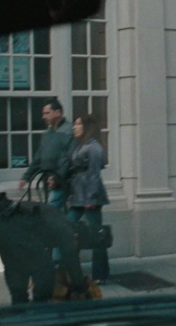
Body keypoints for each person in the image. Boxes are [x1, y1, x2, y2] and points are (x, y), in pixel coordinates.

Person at [67, 114, 111, 282]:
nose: (74, 127)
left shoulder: (94, 148)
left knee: (96, 235)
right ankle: (71, 272)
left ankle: (100, 274)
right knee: (69, 230)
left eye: (78, 124)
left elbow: (94, 174)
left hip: (89, 196)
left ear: (86, 127)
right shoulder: (81, 145)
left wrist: (91, 198)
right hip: (78, 195)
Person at [18, 97, 75, 209]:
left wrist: (57, 178)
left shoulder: (70, 131)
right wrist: (27, 176)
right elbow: (39, 157)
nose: (43, 117)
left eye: (47, 113)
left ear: (58, 113)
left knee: (55, 211)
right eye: (44, 113)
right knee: (52, 211)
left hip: (64, 182)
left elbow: (68, 158)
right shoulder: (46, 134)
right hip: (47, 180)